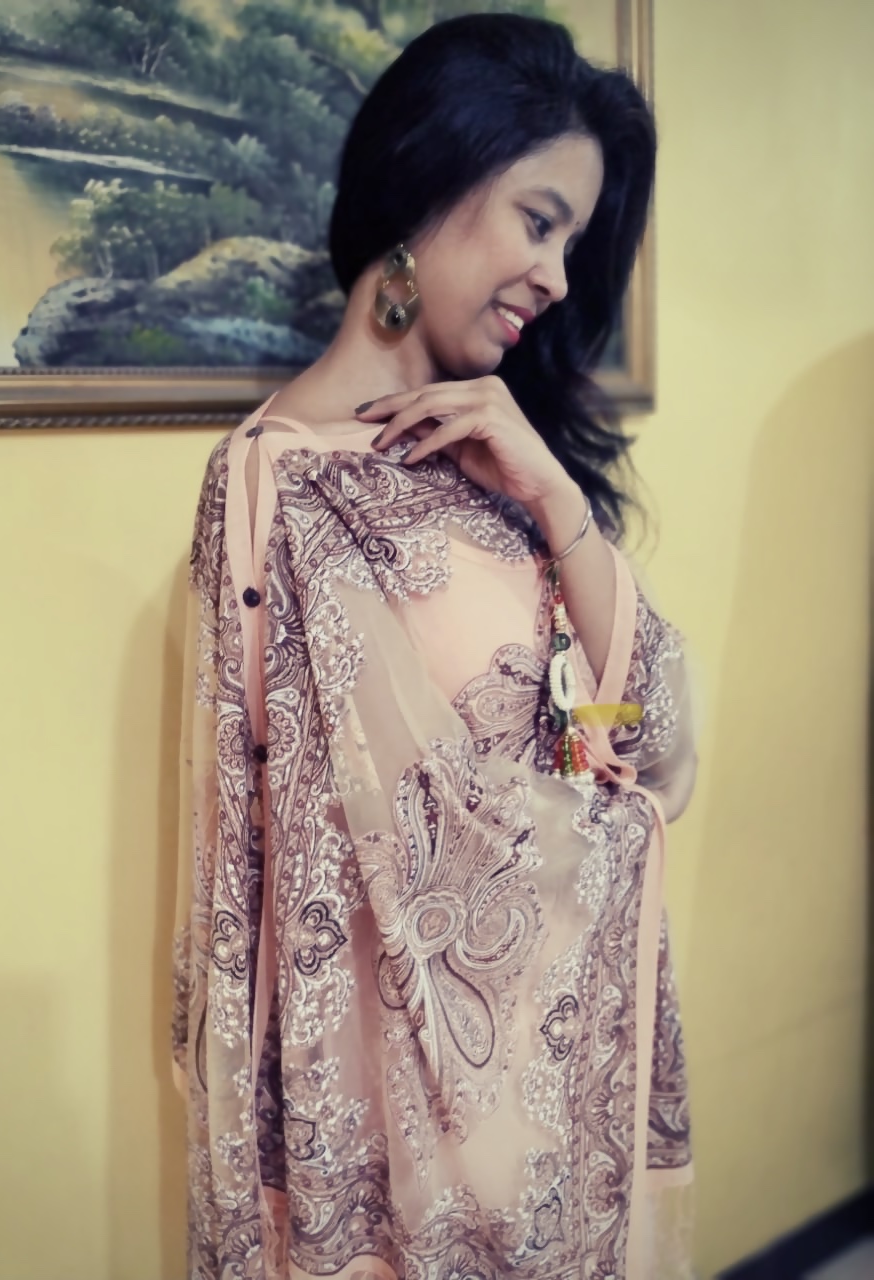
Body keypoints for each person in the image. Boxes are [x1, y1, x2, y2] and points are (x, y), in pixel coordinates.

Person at [172, 13, 697, 1279]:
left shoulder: (509, 470)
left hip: (558, 1112)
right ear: (429, 178)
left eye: (572, 240)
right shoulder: (278, 489)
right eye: (538, 220)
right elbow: (306, 867)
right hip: (412, 1154)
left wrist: (556, 501)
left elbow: (643, 748)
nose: (557, 277)